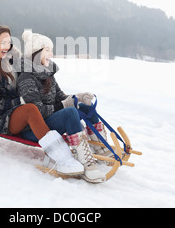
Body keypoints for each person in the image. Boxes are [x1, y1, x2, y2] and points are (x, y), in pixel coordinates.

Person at [0, 24, 84, 177]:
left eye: (9, 42)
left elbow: (35, 73)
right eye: (2, 42)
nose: (7, 46)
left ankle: (85, 148)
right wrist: (21, 101)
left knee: (42, 107)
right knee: (31, 108)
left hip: (20, 111)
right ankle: (63, 159)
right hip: (1, 117)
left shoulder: (14, 60)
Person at [16, 30, 108, 183]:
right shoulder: (26, 76)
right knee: (70, 112)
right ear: (36, 52)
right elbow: (37, 111)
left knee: (85, 108)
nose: (51, 54)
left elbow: (61, 97)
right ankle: (86, 163)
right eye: (47, 50)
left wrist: (77, 98)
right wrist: (65, 105)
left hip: (49, 123)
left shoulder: (47, 74)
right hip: (35, 130)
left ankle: (101, 148)